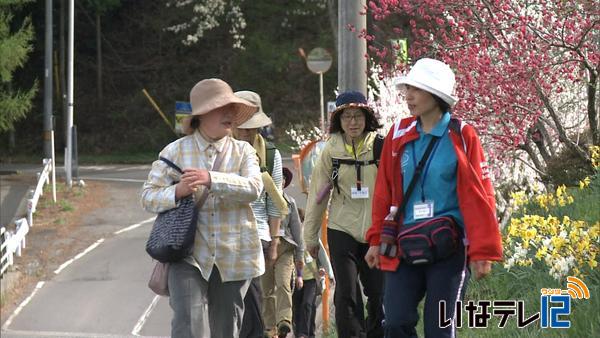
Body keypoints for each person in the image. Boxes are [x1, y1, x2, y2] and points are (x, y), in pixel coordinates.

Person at [364, 58, 503, 338]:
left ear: (437, 95)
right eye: (408, 89)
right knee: (394, 322)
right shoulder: (398, 133)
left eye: (417, 90)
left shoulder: (463, 136)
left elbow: (482, 195)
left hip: (449, 248)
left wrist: (482, 250)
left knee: (439, 328)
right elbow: (384, 191)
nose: (409, 96)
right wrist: (376, 239)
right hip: (405, 243)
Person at [141, 78, 264, 338]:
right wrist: (178, 191)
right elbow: (148, 197)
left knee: (226, 330)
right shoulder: (174, 152)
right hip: (186, 253)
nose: (231, 114)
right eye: (224, 108)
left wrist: (212, 179)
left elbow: (254, 188)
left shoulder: (244, 151)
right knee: (187, 325)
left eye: (233, 108)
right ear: (203, 113)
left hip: (234, 253)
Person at [303, 91, 385, 338]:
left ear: (367, 117)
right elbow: (318, 196)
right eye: (346, 117)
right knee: (346, 293)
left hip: (376, 231)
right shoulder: (331, 151)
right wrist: (310, 237)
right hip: (342, 228)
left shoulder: (380, 146)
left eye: (358, 116)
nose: (352, 122)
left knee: (379, 293)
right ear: (338, 121)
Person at [231, 90, 289, 338]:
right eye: (242, 127)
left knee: (255, 300)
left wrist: (275, 242)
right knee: (231, 303)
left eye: (251, 127)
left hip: (260, 235)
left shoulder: (270, 154)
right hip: (228, 236)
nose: (246, 132)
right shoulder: (223, 153)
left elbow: (275, 202)